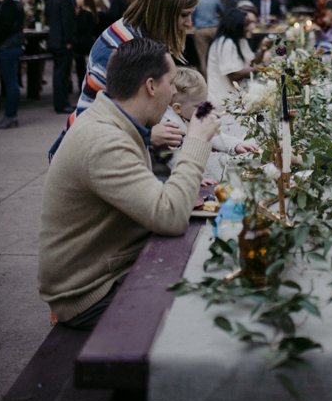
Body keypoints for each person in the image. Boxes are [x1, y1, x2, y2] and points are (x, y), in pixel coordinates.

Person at [38, 38, 221, 330]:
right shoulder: (104, 141)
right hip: (89, 294)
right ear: (151, 86)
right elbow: (170, 216)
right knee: (208, 305)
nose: (174, 91)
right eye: (171, 82)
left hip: (109, 269)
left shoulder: (114, 122)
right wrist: (197, 141)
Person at [49, 0, 198, 158]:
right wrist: (146, 134)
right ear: (164, 12)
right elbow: (99, 114)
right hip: (87, 152)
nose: (189, 22)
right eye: (184, 15)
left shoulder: (144, 36)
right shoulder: (118, 48)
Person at [160, 66, 257, 170]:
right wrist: (189, 174)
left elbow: (213, 136)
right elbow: (172, 156)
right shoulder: (170, 126)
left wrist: (235, 145)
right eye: (199, 105)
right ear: (178, 108)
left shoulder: (188, 114)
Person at [206, 8, 268, 107]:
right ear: (236, 25)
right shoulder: (226, 43)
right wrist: (261, 68)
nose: (250, 27)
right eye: (246, 24)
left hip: (236, 98)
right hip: (224, 102)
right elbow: (234, 75)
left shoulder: (240, 39)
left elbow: (252, 62)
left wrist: (263, 49)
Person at [0, 0, 25, 129]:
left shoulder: (9, 4)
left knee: (10, 82)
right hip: (10, 46)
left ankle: (10, 115)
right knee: (10, 81)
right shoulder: (12, 2)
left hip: (7, 47)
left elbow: (4, 28)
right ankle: (10, 115)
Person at [46, 0, 77, 116]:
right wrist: (68, 40)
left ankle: (60, 102)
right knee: (62, 74)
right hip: (62, 41)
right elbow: (67, 21)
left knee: (58, 73)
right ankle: (62, 103)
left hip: (53, 38)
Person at [191, 0, 223, 78]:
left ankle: (207, 81)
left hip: (201, 30)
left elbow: (191, 15)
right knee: (218, 55)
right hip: (214, 29)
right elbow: (222, 12)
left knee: (203, 57)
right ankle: (219, 77)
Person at [73, 0, 98, 92]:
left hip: (82, 43)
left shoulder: (84, 13)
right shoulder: (91, 12)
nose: (77, 0)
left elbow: (81, 28)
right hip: (87, 42)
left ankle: (82, 87)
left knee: (81, 67)